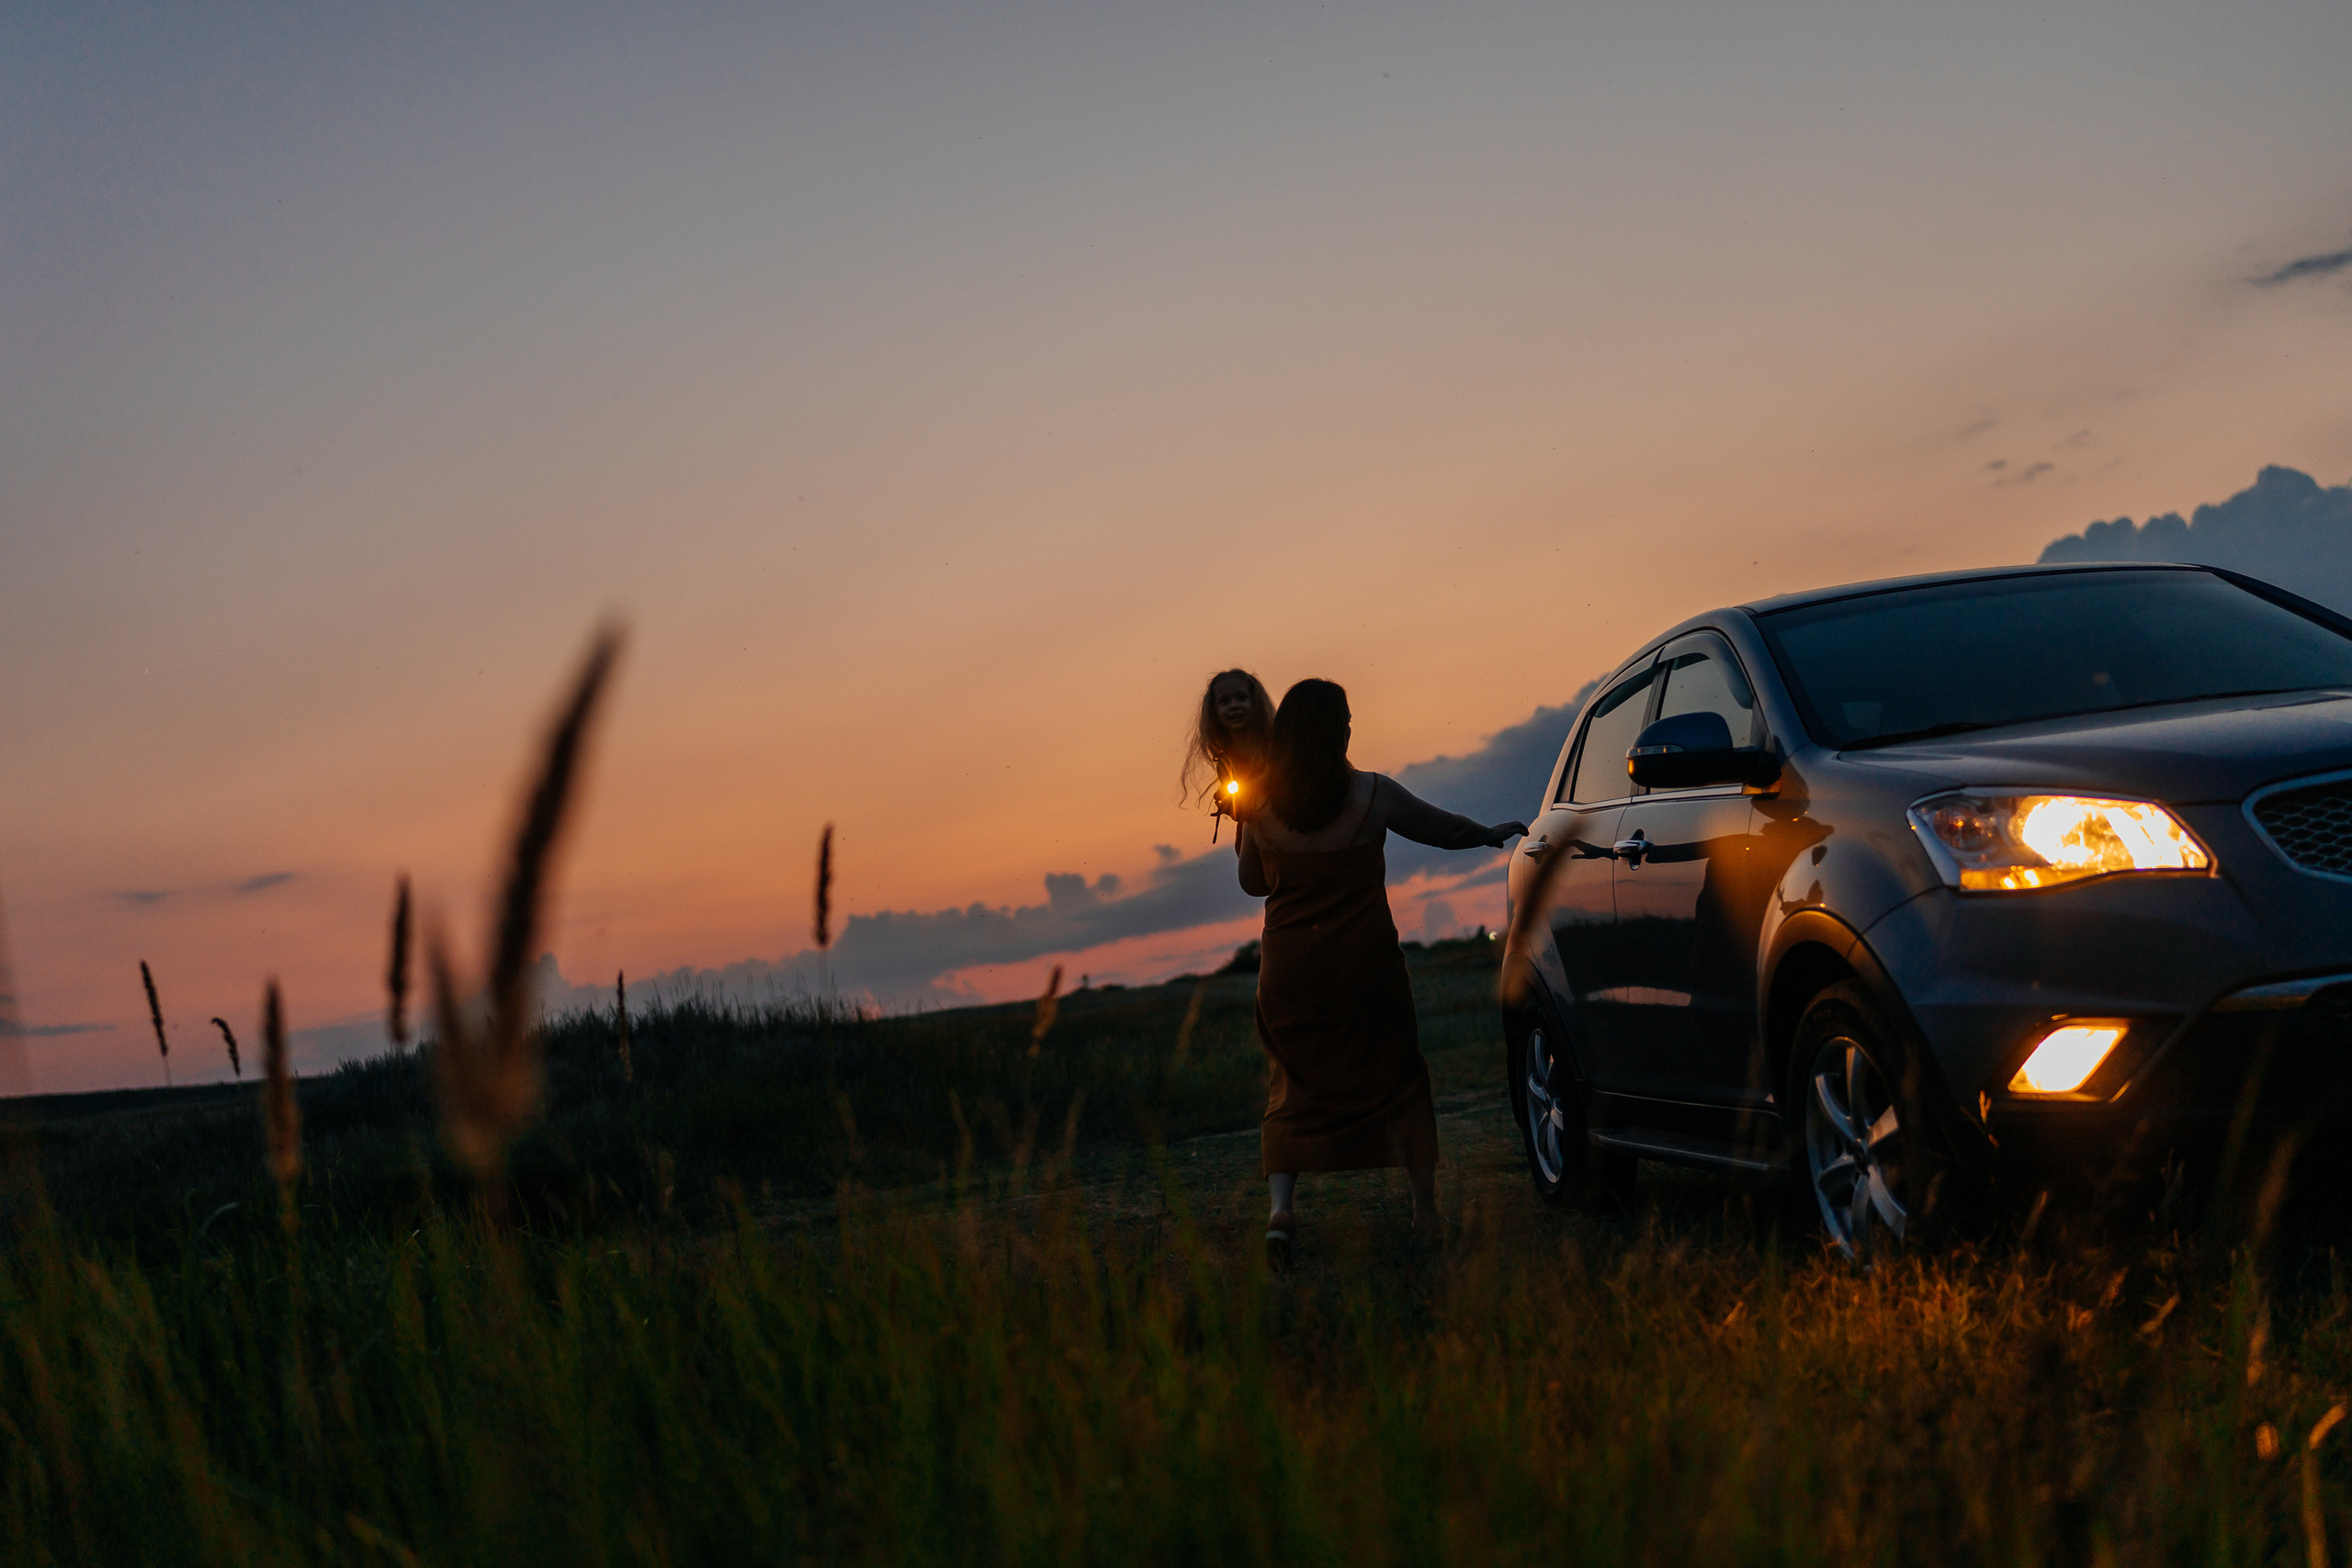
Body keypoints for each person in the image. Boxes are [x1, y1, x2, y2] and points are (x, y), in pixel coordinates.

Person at [1237, 679, 1525, 1267]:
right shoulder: (1372, 795)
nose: (1350, 728)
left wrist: (1246, 824)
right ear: (1332, 730)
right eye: (1344, 719)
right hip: (1367, 968)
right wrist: (1490, 834)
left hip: (1291, 972)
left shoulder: (1259, 805)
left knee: (1292, 1083)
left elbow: (1254, 884)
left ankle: (1281, 1211)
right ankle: (1424, 1210)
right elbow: (1441, 829)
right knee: (1399, 1076)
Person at [1182, 669, 1276, 840]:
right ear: (1214, 713)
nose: (1234, 706)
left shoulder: (1276, 744)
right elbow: (1241, 811)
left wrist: (1249, 788)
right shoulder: (1225, 761)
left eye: (1241, 698)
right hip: (1256, 836)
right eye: (1225, 702)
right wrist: (1229, 806)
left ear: (1256, 703)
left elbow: (1280, 776)